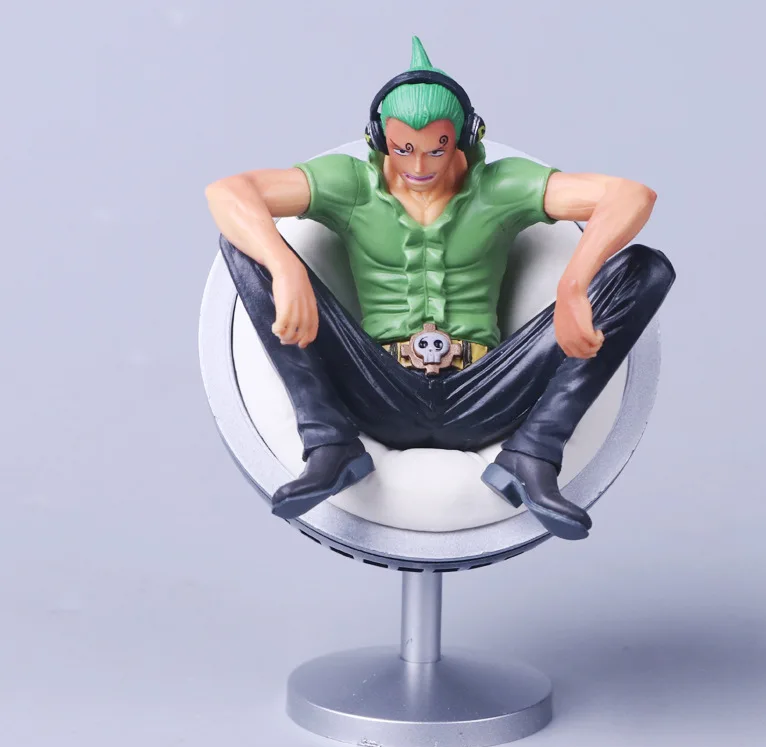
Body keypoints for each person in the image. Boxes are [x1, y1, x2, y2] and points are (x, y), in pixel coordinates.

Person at [205, 36, 675, 541]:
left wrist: (574, 284)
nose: (420, 166)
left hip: (486, 391)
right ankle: (329, 443)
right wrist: (285, 268)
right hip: (376, 386)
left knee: (644, 269)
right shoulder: (350, 184)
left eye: (437, 148)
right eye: (403, 148)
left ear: (466, 137)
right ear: (378, 138)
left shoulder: (500, 186)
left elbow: (631, 195)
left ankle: (535, 452)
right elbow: (229, 192)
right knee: (246, 247)